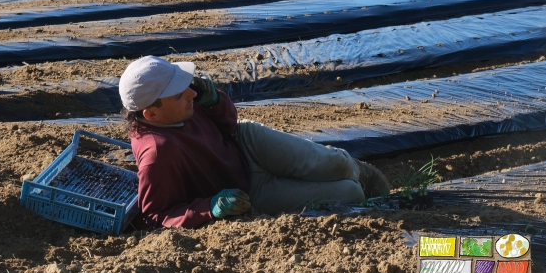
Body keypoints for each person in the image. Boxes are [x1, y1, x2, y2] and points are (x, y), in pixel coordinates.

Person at [119, 55, 388, 229]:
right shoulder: (157, 153)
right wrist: (209, 207)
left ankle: (358, 169)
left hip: (245, 143)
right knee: (350, 194)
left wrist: (215, 102)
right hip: (246, 191)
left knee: (337, 164)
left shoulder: (184, 103)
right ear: (151, 114)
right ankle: (356, 180)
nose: (190, 93)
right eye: (179, 95)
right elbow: (154, 216)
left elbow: (227, 123)